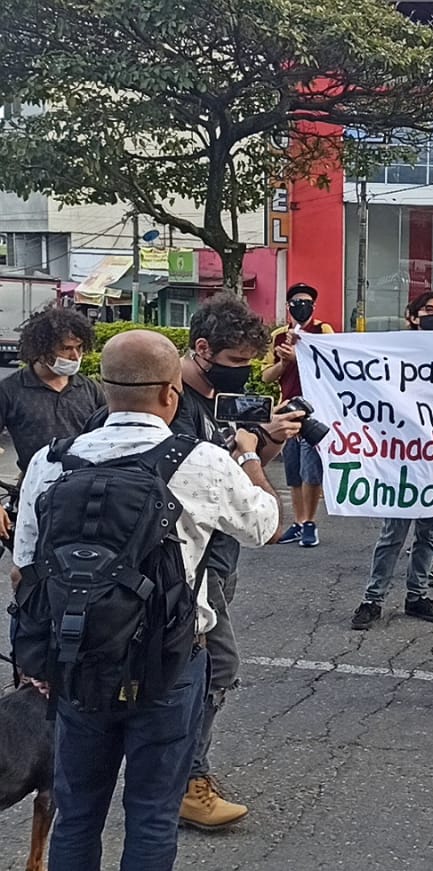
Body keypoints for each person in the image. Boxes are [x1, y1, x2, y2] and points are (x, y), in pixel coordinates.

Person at [12, 329, 280, 870]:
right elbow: (266, 526)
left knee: (79, 813)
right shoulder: (202, 460)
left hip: (78, 659)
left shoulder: (52, 460)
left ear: (105, 389)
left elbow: (25, 571)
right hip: (170, 658)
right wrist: (250, 456)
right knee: (153, 814)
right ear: (170, 393)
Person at [159, 294, 303, 829]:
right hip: (188, 563)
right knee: (216, 667)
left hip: (218, 557)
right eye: (238, 363)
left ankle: (178, 773)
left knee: (194, 669)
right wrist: (248, 455)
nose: (246, 375)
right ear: (201, 349)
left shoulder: (217, 399)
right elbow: (266, 522)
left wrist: (264, 442)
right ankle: (187, 780)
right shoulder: (174, 410)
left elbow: (238, 486)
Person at [350, 293, 433, 631]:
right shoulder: (394, 348)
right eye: (429, 311)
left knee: (428, 534)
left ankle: (417, 595)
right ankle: (373, 599)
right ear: (412, 316)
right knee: (393, 533)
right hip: (402, 458)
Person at [262, 282, 335, 547]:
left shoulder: (322, 330)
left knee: (310, 469)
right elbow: (266, 375)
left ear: (314, 306)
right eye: (296, 302)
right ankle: (299, 520)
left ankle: (310, 522)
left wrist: (299, 357)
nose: (300, 306)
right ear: (288, 306)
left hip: (313, 410)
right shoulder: (279, 335)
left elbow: (330, 366)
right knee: (292, 470)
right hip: (286, 408)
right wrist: (283, 362)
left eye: (306, 302)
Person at [0, 306, 104, 485]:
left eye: (79, 348)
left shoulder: (90, 389)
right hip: (34, 487)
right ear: (40, 350)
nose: (75, 356)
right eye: (66, 348)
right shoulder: (10, 390)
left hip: (85, 487)